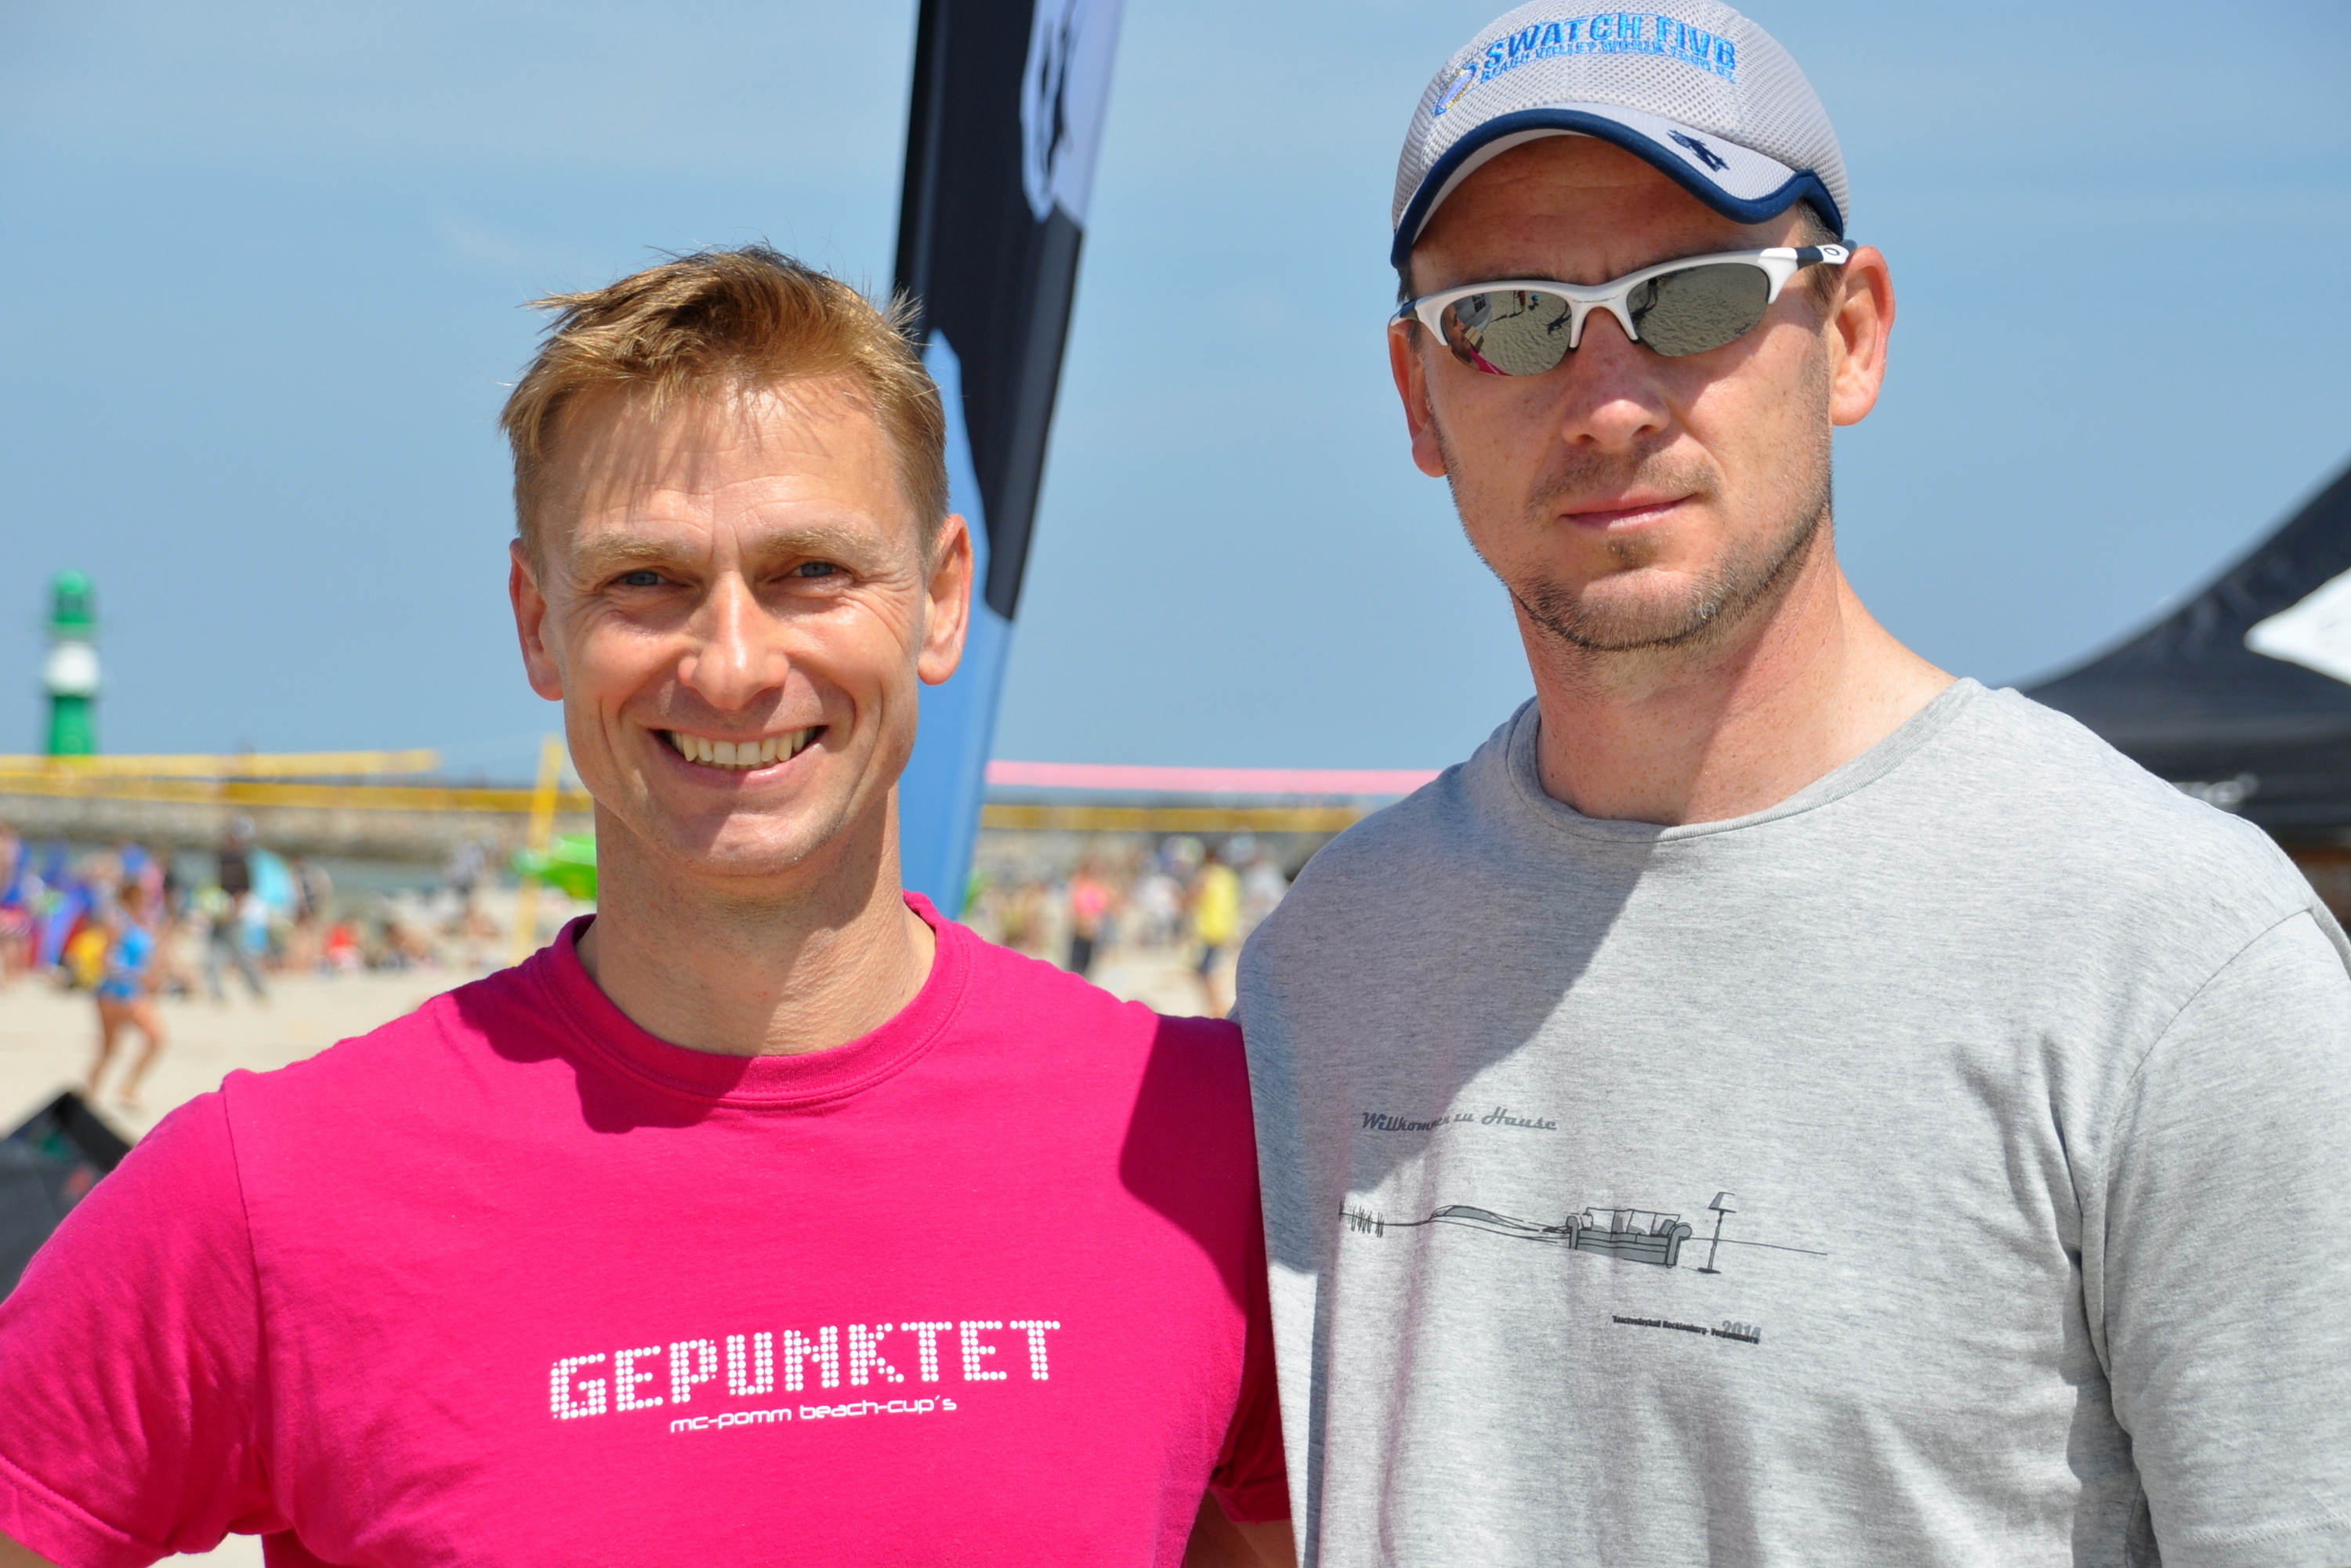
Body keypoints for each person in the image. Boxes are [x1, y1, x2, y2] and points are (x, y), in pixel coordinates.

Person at [1235, 5, 2351, 1566]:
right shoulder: (1327, 969)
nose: (1608, 396)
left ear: (1853, 335)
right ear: (1421, 394)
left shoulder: (2176, 963)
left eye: (1692, 297)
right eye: (1512, 318)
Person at [0, 248, 1290, 1566]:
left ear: (943, 599)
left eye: (810, 570)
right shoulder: (274, 1192)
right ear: (538, 622)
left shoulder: (1201, 1142)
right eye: (644, 581)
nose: (731, 666)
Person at [84, 880, 167, 1110]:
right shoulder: (118, 920)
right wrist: (134, 976)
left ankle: (125, 1089)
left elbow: (148, 956)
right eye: (144, 895)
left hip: (133, 992)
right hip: (117, 993)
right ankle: (91, 1096)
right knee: (111, 1048)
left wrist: (155, 975)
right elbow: (107, 959)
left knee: (153, 1040)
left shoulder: (143, 920)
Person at [202, 818, 266, 1002]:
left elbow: (245, 890)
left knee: (240, 955)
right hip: (219, 913)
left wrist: (233, 912)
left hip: (233, 915)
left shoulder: (242, 861)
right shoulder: (222, 857)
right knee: (212, 954)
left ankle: (258, 990)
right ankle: (217, 994)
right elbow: (216, 887)